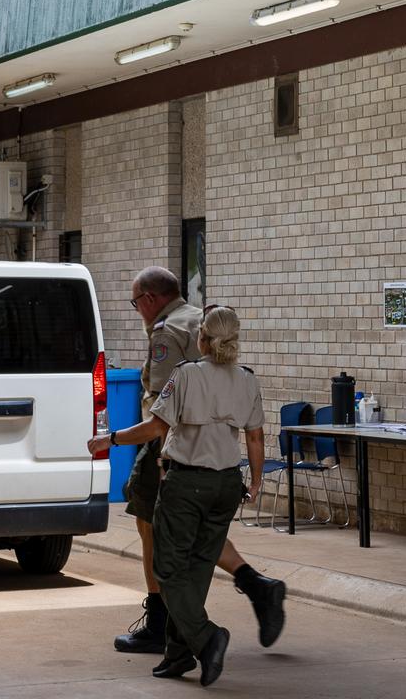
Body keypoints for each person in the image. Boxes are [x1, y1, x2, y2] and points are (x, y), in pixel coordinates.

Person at [112, 267, 284, 655]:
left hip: (173, 447)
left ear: (150, 299)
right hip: (218, 456)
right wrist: (255, 481)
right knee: (196, 532)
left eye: (136, 302)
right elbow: (254, 431)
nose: (137, 309)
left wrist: (121, 443)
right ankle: (257, 587)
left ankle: (164, 625)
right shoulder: (198, 319)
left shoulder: (166, 332)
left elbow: (159, 412)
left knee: (154, 528)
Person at [90, 306, 263, 685]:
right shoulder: (247, 380)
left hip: (187, 485)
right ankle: (178, 655)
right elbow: (254, 436)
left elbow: (155, 426)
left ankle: (207, 637)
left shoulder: (186, 375)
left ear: (202, 338)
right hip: (226, 485)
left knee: (168, 569)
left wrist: (112, 439)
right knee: (197, 570)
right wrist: (255, 483)